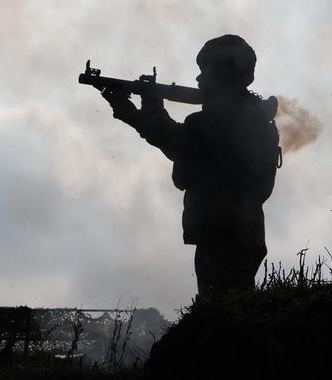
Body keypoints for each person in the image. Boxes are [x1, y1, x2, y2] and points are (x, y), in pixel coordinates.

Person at [97, 35, 280, 301]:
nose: (198, 79)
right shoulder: (252, 115)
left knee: (221, 311)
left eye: (205, 71)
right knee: (233, 305)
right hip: (241, 229)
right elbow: (182, 146)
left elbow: (175, 141)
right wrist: (131, 111)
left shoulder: (220, 120)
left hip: (222, 230)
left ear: (224, 74)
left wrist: (149, 103)